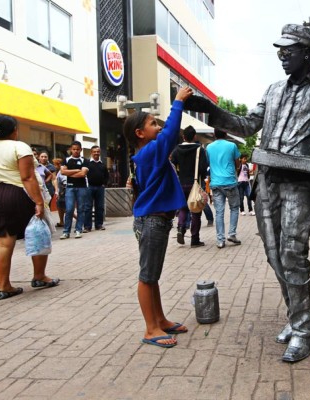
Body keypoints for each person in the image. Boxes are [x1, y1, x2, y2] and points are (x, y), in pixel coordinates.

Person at [184, 24, 310, 362]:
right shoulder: (272, 90)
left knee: (292, 253)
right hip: (267, 179)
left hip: (304, 180)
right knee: (274, 254)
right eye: (280, 49)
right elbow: (245, 125)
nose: (282, 54)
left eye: (289, 49)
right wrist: (210, 110)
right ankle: (294, 315)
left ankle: (302, 330)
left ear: (307, 52)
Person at [123, 85, 193, 348]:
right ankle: (150, 329)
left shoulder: (146, 154)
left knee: (152, 276)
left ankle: (160, 320)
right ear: (140, 133)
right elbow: (171, 133)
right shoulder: (151, 151)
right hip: (152, 220)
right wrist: (177, 102)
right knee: (147, 277)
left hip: (155, 220)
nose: (159, 127)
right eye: (154, 123)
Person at [0, 115, 59, 300]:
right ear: (14, 130)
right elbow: (27, 177)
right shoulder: (19, 147)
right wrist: (39, 202)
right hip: (20, 193)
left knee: (4, 242)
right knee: (39, 231)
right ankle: (39, 276)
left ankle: (4, 286)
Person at [170, 126, 208, 247]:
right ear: (195, 136)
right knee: (195, 211)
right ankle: (194, 239)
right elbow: (203, 168)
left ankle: (181, 228)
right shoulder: (199, 150)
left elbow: (172, 165)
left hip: (181, 184)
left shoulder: (177, 150)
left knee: (183, 208)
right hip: (195, 184)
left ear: (184, 137)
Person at [206, 129, 241, 249]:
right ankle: (232, 234)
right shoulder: (232, 146)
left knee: (219, 212)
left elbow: (208, 163)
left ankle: (220, 240)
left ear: (214, 134)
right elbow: (237, 163)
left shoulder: (209, 147)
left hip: (215, 183)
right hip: (230, 182)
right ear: (226, 134)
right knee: (234, 208)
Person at [60, 141, 89, 239]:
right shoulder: (66, 160)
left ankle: (78, 230)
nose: (75, 151)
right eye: (74, 149)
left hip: (82, 187)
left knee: (81, 209)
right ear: (71, 150)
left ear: (81, 149)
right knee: (69, 209)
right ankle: (66, 231)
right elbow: (62, 172)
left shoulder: (85, 160)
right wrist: (76, 170)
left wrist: (69, 173)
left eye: (77, 149)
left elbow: (83, 174)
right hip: (70, 187)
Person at [84, 145, 109, 232]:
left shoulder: (102, 164)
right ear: (91, 152)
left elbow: (106, 176)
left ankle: (99, 225)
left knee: (100, 207)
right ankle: (87, 227)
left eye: (98, 152)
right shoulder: (87, 163)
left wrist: (104, 184)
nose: (96, 153)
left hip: (100, 188)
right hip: (89, 187)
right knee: (88, 207)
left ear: (100, 153)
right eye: (94, 152)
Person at [52, 158, 66, 228]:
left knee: (64, 207)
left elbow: (64, 182)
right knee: (60, 206)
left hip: (63, 192)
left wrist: (61, 192)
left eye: (55, 165)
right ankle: (61, 221)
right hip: (61, 191)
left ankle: (78, 219)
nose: (54, 166)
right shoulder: (59, 171)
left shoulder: (62, 172)